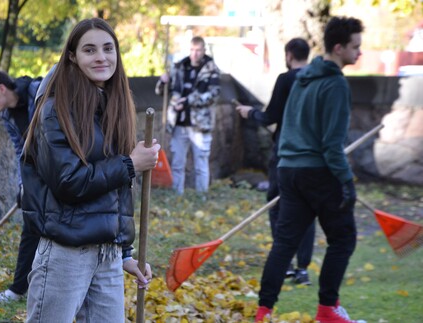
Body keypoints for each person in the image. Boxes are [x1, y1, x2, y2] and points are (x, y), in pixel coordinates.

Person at [20, 18, 159, 322]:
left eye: (108, 49)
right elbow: (69, 184)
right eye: (90, 49)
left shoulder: (113, 106)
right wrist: (130, 164)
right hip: (64, 255)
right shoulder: (55, 111)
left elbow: (116, 191)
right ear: (72, 56)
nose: (101, 57)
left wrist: (124, 253)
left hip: (107, 256)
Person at [255, 17, 365, 323]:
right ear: (339, 47)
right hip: (317, 172)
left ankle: (262, 312)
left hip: (288, 170)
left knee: (284, 244)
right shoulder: (335, 84)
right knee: (343, 239)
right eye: (356, 47)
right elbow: (332, 146)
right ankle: (327, 309)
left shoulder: (300, 79)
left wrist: (288, 165)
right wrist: (346, 181)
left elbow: (287, 129)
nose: (360, 53)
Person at [236, 38, 315, 286]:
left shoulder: (287, 79)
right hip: (312, 155)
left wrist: (250, 113)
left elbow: (271, 116)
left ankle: (286, 265)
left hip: (285, 154)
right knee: (307, 208)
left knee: (277, 204)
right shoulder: (318, 77)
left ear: (289, 55)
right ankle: (301, 268)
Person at [0, 71, 42, 302]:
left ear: (2, 89)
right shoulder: (7, 116)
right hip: (38, 174)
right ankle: (18, 288)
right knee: (31, 226)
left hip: (63, 170)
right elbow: (20, 151)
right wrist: (24, 185)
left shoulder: (38, 92)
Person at [155, 36, 221, 195]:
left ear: (204, 50)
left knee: (201, 164)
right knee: (177, 164)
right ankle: (178, 197)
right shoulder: (179, 67)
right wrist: (162, 82)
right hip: (179, 123)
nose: (195, 54)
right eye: (192, 50)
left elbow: (214, 95)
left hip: (200, 125)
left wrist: (187, 101)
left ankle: (201, 196)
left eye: (198, 50)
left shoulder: (211, 69)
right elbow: (160, 93)